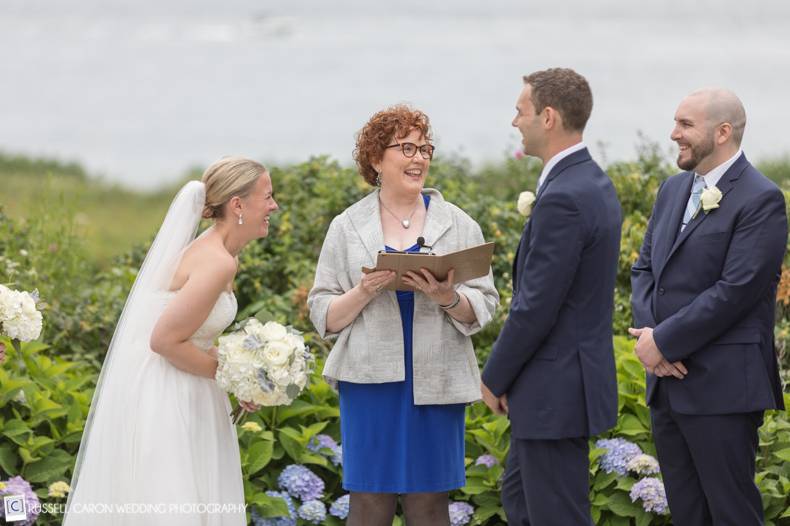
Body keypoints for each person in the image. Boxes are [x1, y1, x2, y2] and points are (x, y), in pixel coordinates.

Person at [307, 105, 499, 526]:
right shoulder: (346, 226)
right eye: (407, 148)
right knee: (369, 504)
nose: (419, 158)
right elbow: (322, 311)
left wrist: (447, 296)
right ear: (377, 159)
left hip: (438, 380)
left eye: (425, 149)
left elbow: (485, 303)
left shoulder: (460, 223)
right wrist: (362, 291)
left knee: (429, 505)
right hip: (369, 382)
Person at [64, 157, 278, 525]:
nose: (274, 206)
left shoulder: (220, 253)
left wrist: (242, 374)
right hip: (169, 392)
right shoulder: (217, 262)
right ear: (238, 205)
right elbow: (164, 340)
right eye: (269, 196)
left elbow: (194, 335)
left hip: (182, 381)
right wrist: (228, 374)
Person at [630, 88, 786, 525]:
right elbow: (645, 271)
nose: (673, 134)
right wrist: (650, 339)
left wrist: (666, 341)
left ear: (721, 132)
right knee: (687, 514)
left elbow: (736, 291)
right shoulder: (672, 189)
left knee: (731, 513)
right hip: (668, 385)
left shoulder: (761, 199)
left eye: (685, 125)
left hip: (722, 388)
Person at [480, 68, 622, 526]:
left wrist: (494, 376)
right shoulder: (590, 181)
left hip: (553, 391)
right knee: (523, 503)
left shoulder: (565, 196)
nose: (513, 122)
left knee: (554, 515)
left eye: (520, 112)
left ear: (548, 117)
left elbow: (536, 304)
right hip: (561, 388)